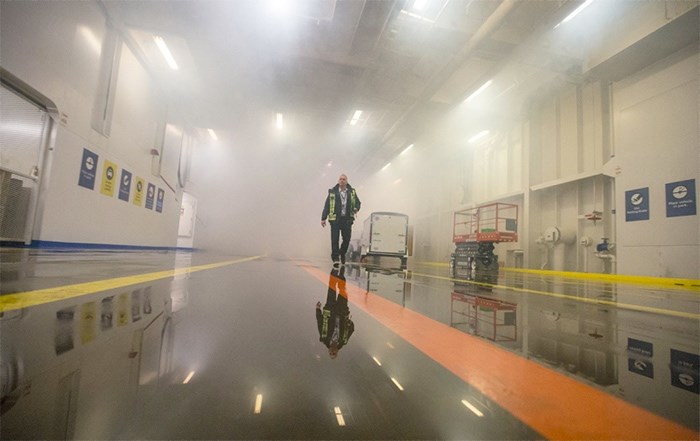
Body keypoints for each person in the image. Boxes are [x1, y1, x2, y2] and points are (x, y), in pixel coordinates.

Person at [321, 173, 361, 266]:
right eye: (340, 179)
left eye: (344, 179)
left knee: (347, 239)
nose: (342, 180)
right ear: (338, 181)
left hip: (347, 220)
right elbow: (327, 206)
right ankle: (335, 258)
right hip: (335, 219)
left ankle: (342, 252)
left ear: (347, 182)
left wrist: (356, 208)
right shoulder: (333, 192)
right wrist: (323, 218)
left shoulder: (352, 192)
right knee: (335, 239)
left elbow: (358, 203)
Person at [315, 267, 354, 359]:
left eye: (330, 353)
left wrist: (317, 310)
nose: (332, 352)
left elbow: (319, 323)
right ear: (337, 352)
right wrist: (348, 322)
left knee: (331, 289)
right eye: (334, 353)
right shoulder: (343, 341)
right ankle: (341, 274)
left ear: (328, 351)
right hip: (342, 310)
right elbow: (351, 328)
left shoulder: (324, 338)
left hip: (330, 309)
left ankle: (334, 270)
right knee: (343, 290)